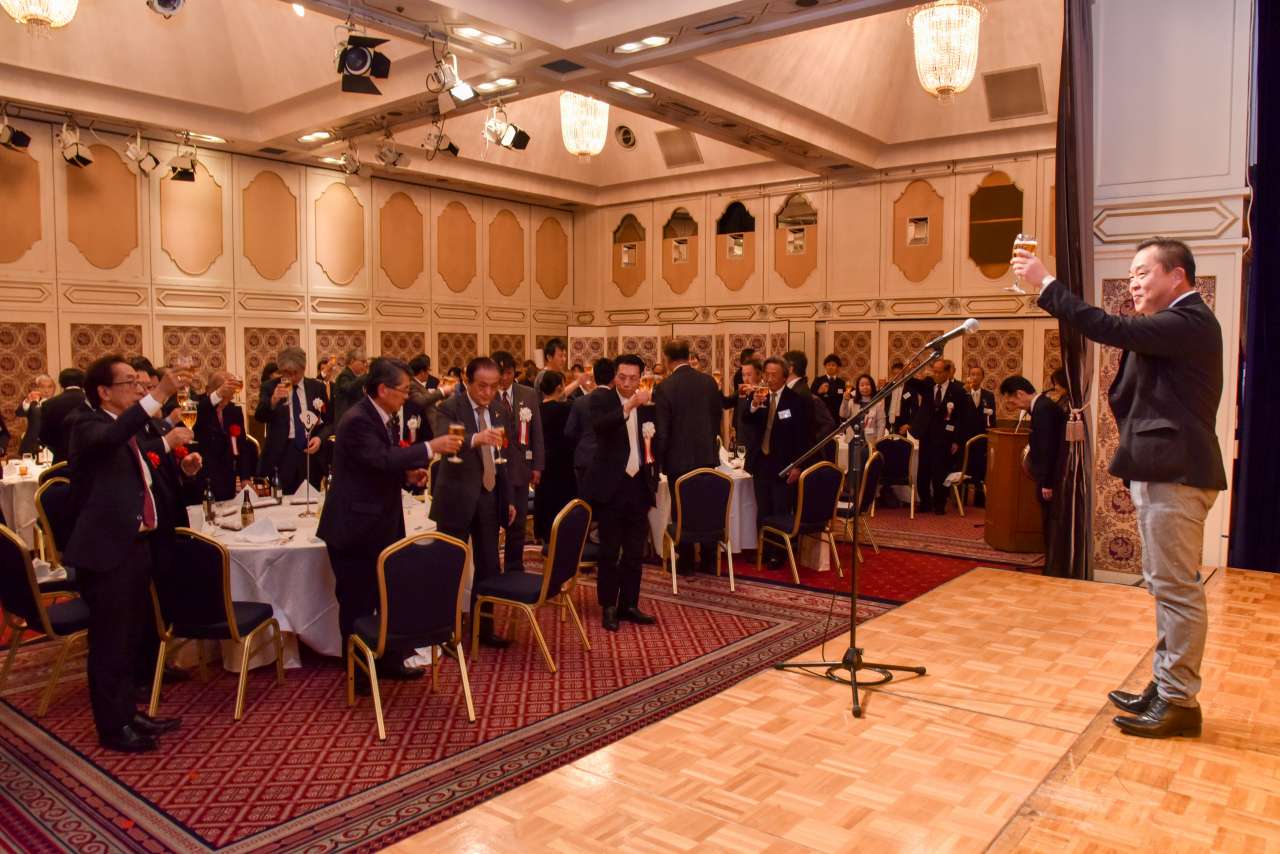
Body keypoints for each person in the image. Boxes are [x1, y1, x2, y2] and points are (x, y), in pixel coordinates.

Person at [1014, 237, 1225, 740]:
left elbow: (1110, 328)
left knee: (1176, 590)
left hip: (1175, 472)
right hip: (1162, 470)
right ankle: (1165, 685)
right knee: (1165, 587)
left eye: (1141, 272)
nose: (1132, 283)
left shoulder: (1189, 319)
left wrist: (1045, 283)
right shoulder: (1174, 324)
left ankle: (1179, 700)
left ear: (1177, 276)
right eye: (1129, 275)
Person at [63, 356, 195, 753]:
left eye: (142, 383)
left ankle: (128, 713)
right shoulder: (87, 425)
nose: (138, 389)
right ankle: (112, 727)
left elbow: (140, 474)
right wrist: (161, 393)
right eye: (130, 383)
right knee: (109, 643)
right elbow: (112, 438)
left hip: (135, 547)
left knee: (130, 638)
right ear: (104, 391)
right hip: (106, 552)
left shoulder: (123, 428)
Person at [317, 358, 461, 688]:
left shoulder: (384, 417)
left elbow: (380, 466)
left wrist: (407, 476)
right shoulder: (357, 420)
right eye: (404, 390)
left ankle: (389, 660)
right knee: (357, 603)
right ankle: (359, 676)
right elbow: (379, 458)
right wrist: (430, 447)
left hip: (381, 522)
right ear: (383, 389)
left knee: (386, 595)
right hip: (354, 528)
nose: (407, 396)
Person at [429, 357, 516, 647]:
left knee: (489, 566)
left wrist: (508, 499)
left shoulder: (499, 409)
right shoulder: (450, 407)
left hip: (489, 496)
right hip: (456, 497)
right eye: (482, 386)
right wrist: (476, 438)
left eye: (494, 386)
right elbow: (444, 439)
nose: (488, 392)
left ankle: (483, 628)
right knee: (449, 566)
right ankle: (444, 630)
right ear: (467, 382)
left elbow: (503, 458)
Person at [583, 354, 658, 631]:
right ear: (615, 376)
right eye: (622, 377)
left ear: (641, 378)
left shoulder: (649, 404)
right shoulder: (601, 399)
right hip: (612, 486)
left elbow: (657, 439)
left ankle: (629, 604)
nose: (627, 383)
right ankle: (609, 606)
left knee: (635, 552)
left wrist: (653, 476)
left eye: (633, 378)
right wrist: (628, 406)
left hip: (639, 485)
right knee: (609, 551)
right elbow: (600, 427)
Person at [654, 339, 723, 576]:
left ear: (667, 359)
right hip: (706, 455)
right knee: (707, 507)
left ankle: (685, 562)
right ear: (688, 355)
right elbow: (716, 417)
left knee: (681, 510)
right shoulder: (708, 382)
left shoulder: (665, 387)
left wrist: (660, 461)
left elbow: (663, 431)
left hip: (678, 460)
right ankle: (709, 559)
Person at [744, 357, 811, 568]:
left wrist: (798, 465)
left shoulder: (796, 400)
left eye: (774, 375)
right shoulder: (759, 395)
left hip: (784, 465)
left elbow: (804, 438)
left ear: (784, 376)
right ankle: (763, 549)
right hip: (761, 462)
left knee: (780, 509)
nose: (770, 378)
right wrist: (753, 405)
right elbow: (746, 419)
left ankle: (778, 553)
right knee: (763, 508)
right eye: (767, 374)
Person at [999, 374, 1066, 560]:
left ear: (1020, 393)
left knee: (1051, 521)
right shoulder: (1041, 406)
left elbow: (1048, 448)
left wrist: (1046, 483)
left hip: (1051, 478)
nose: (1012, 404)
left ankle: (1053, 562)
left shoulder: (1043, 409)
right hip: (1047, 476)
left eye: (1012, 399)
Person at [492, 351, 545, 574]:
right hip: (494, 470)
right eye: (500, 373)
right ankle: (492, 570)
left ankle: (514, 567)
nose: (504, 378)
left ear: (515, 372)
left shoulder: (528, 394)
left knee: (519, 523)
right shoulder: (487, 395)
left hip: (521, 468)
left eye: (508, 373)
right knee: (493, 522)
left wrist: (538, 466)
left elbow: (537, 432)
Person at [255, 347, 330, 493]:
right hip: (282, 454)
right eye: (286, 372)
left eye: (295, 372)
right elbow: (259, 416)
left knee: (311, 498)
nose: (291, 377)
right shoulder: (270, 386)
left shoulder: (317, 387)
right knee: (282, 499)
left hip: (310, 451)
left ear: (303, 368)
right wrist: (273, 400)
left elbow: (330, 422)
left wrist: (320, 438)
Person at [910, 358, 976, 515]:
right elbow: (912, 383)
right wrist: (910, 370)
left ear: (947, 372)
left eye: (939, 372)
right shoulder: (928, 384)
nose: (936, 375)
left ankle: (939, 504)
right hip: (926, 435)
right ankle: (925, 502)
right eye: (934, 371)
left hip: (945, 437)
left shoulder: (958, 390)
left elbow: (961, 418)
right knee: (923, 471)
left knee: (940, 471)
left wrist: (957, 441)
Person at [194, 372, 252, 500]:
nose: (226, 401)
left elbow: (241, 446)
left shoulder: (234, 411)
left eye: (229, 396)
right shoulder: (198, 405)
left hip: (227, 477)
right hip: (202, 476)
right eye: (223, 395)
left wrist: (245, 477)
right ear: (209, 390)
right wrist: (218, 395)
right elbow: (198, 415)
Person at [533, 371, 576, 543]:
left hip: (543, 461)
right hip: (563, 461)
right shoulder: (567, 409)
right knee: (563, 501)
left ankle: (544, 536)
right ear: (559, 387)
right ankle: (563, 537)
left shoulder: (536, 410)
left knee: (545, 498)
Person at [566, 357, 615, 488]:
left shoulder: (580, 401)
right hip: (610, 459)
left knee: (584, 497)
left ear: (595, 378)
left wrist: (584, 438)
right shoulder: (617, 402)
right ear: (614, 378)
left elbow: (569, 432)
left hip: (584, 457)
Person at [39, 367, 90, 463]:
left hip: (61, 459)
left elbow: (44, 436)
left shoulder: (49, 404)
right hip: (89, 458)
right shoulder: (93, 401)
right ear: (82, 382)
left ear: (61, 383)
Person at [840, 373, 885, 475]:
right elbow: (843, 414)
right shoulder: (852, 402)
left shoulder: (878, 403)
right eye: (862, 385)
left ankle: (865, 485)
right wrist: (845, 400)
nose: (865, 387)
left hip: (870, 442)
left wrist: (877, 443)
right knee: (854, 468)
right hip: (854, 440)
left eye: (868, 384)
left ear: (872, 386)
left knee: (867, 469)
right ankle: (853, 485)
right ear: (858, 387)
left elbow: (881, 424)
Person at [965, 365, 997, 507]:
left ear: (983, 377)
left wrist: (992, 438)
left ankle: (979, 501)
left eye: (978, 374)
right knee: (965, 469)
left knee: (980, 469)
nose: (975, 377)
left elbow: (993, 419)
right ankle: (961, 500)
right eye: (972, 374)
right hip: (966, 438)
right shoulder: (964, 394)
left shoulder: (989, 396)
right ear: (969, 376)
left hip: (982, 438)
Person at [15, 374, 56, 456]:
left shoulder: (60, 403)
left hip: (54, 447)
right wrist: (28, 401)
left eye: (50, 387)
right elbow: (19, 413)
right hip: (32, 446)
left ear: (54, 389)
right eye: (42, 387)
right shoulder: (31, 402)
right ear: (37, 388)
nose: (46, 390)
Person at [332, 348, 369, 425]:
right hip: (346, 420)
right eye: (363, 361)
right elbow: (349, 388)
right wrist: (364, 376)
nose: (365, 365)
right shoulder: (344, 375)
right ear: (352, 361)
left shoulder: (354, 377)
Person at [813, 354, 846, 422]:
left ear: (838, 367)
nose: (830, 367)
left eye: (833, 365)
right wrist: (819, 392)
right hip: (821, 416)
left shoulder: (841, 382)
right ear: (825, 366)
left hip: (837, 416)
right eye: (828, 365)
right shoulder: (818, 380)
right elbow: (810, 396)